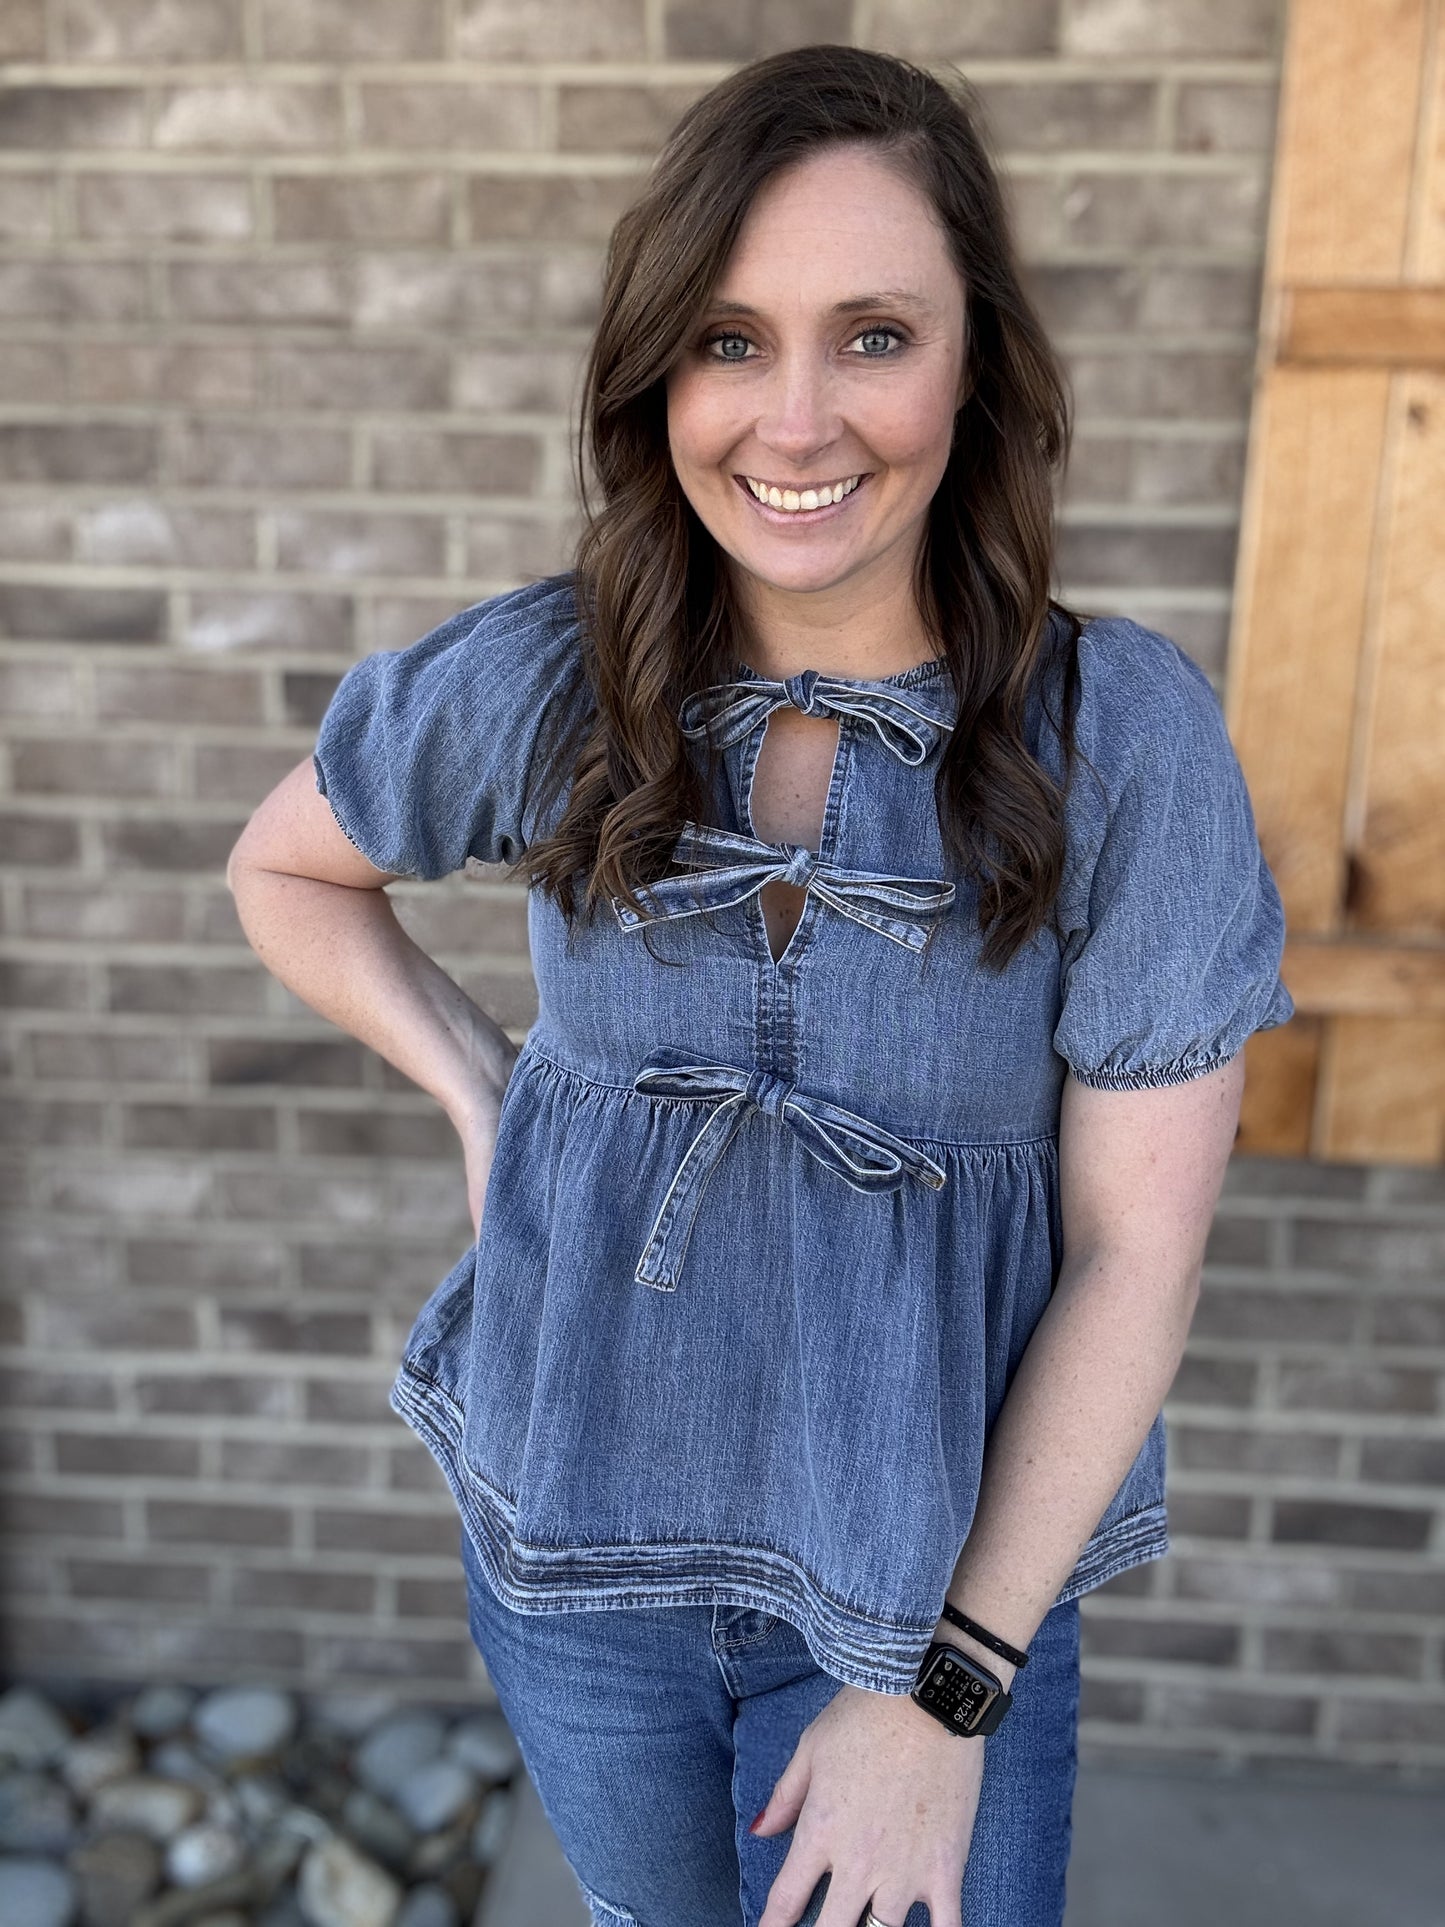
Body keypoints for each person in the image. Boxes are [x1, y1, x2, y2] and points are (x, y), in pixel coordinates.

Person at [227, 43, 1294, 1927]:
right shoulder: (558, 679)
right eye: (730, 340)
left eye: (872, 334)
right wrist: (488, 1096)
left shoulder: (1115, 737)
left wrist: (943, 1695)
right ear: (661, 375)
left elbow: (1139, 1253)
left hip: (925, 1606)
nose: (793, 422)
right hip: (572, 1556)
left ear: (977, 364)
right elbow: (288, 869)